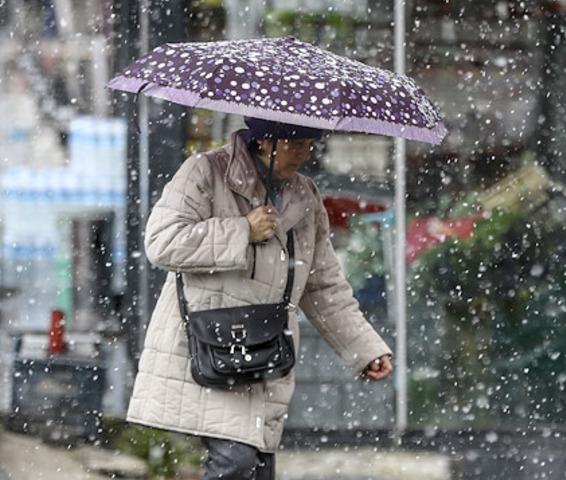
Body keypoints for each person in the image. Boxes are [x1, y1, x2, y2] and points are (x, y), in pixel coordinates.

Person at [125, 117, 394, 480]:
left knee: (255, 468)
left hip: (265, 353)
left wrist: (364, 347)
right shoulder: (204, 172)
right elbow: (162, 242)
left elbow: (323, 285)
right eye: (296, 142)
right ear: (266, 140)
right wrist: (242, 231)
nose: (305, 152)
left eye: (310, 143)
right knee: (236, 462)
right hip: (210, 348)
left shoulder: (305, 196)